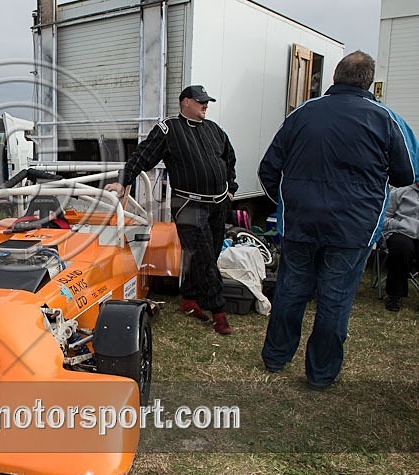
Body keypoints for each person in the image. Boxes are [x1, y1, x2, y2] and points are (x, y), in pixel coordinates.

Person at [258, 51, 418, 390]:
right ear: (369, 81)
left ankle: (276, 357)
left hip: (301, 223)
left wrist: (288, 204)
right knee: (335, 299)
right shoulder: (386, 119)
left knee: (291, 290)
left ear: (335, 76)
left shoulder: (302, 113)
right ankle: (320, 374)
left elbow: (268, 168)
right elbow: (405, 174)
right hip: (353, 228)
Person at [106, 85, 238, 335]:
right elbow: (142, 156)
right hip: (189, 204)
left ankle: (189, 300)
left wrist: (232, 187)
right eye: (200, 101)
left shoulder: (214, 129)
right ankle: (219, 312)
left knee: (205, 255)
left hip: (219, 203)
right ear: (185, 102)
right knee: (204, 257)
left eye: (207, 102)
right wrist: (124, 180)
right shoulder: (169, 129)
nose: (205, 105)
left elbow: (229, 158)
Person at [382, 184, 419, 312]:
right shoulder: (401, 191)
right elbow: (383, 217)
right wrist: (400, 225)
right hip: (400, 233)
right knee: (402, 248)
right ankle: (394, 295)